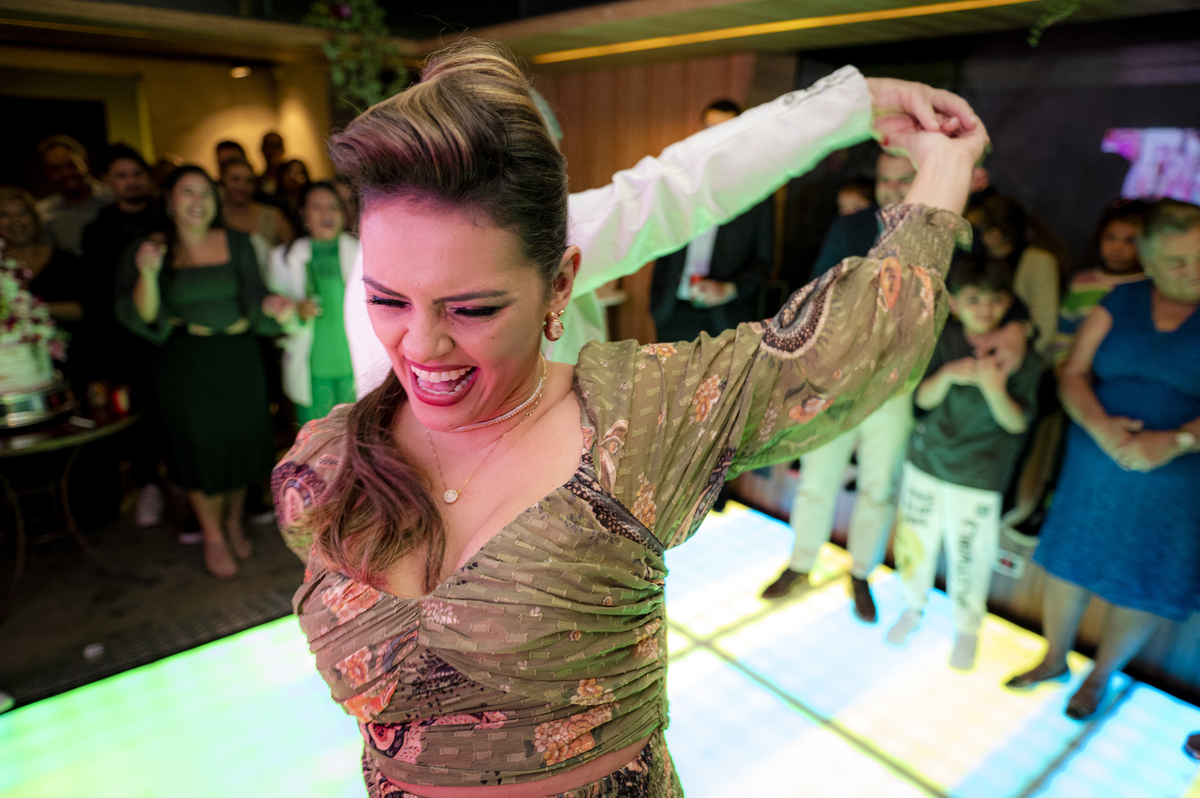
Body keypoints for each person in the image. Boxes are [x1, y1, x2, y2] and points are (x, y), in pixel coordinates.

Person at [273, 41, 986, 797]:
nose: (420, 346)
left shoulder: (633, 424)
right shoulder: (325, 460)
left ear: (561, 283)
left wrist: (923, 154)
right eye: (385, 299)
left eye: (473, 309)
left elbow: (682, 194)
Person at [759, 151, 1028, 622]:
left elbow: (985, 285)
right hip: (836, 378)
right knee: (817, 480)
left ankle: (861, 573)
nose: (891, 189)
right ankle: (800, 563)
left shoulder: (946, 234)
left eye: (904, 179)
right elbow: (814, 291)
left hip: (898, 382)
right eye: (885, 179)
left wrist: (1020, 324)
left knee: (879, 487)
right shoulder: (851, 226)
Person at [1005, 199, 1200, 720]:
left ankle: (1100, 676)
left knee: (1144, 580)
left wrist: (1178, 440)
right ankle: (1053, 659)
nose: (1193, 270)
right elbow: (1073, 373)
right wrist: (1101, 427)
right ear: (1149, 262)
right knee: (1070, 562)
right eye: (1178, 261)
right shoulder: (1120, 300)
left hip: (1178, 478)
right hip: (1095, 464)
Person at [115, 165, 295, 579]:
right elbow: (146, 315)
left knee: (242, 442)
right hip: (186, 362)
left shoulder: (238, 241)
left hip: (238, 356)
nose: (198, 202)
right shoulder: (151, 248)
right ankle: (213, 534)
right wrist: (148, 274)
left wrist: (270, 304)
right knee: (199, 449)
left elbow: (254, 291)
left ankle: (232, 520)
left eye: (206, 194)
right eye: (188, 192)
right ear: (169, 200)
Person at [885, 255, 1041, 670]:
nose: (984, 309)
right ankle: (911, 607)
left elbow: (1017, 423)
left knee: (972, 555)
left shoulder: (1022, 356)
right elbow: (922, 399)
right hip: (927, 463)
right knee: (914, 544)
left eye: (994, 299)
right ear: (954, 303)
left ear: (1008, 302)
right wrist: (949, 373)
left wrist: (994, 388)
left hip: (980, 476)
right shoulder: (943, 340)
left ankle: (967, 628)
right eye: (974, 299)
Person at [81, 144, 172, 527]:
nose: (131, 182)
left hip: (171, 335)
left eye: (136, 174)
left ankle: (185, 485)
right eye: (121, 176)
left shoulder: (170, 220)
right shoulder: (98, 230)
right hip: (124, 341)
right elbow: (96, 297)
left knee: (174, 412)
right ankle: (149, 485)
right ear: (106, 181)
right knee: (139, 417)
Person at [647, 99, 774, 343]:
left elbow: (764, 261)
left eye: (725, 131)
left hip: (727, 317)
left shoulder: (757, 192)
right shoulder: (680, 182)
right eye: (709, 130)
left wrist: (728, 289)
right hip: (672, 311)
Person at [267, 182, 359, 424]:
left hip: (357, 366)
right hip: (312, 368)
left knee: (361, 437)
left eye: (333, 207)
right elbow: (274, 320)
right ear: (303, 214)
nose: (326, 213)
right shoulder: (283, 258)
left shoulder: (362, 251)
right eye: (317, 207)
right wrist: (295, 313)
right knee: (318, 440)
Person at [1048, 199, 1150, 367]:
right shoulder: (1082, 282)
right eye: (1110, 238)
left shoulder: (1150, 286)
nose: (1117, 248)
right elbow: (1063, 333)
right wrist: (1062, 365)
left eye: (1130, 241)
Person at [978, 194, 1067, 357]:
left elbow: (1044, 325)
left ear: (995, 234)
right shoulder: (977, 261)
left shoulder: (1039, 262)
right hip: (978, 350)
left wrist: (1019, 353)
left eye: (979, 228)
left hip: (1022, 355)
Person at [0, 185, 84, 328]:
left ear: (34, 217)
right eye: (4, 214)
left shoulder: (65, 260)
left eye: (23, 213)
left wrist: (33, 307)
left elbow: (83, 309)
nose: (16, 221)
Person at [35, 135, 113, 257]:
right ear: (47, 173)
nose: (66, 173)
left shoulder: (114, 198)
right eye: (56, 169)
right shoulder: (43, 213)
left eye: (72, 165)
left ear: (85, 163)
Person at [220, 158, 294, 248]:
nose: (241, 186)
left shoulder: (272, 216)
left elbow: (294, 249)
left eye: (249, 181)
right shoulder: (215, 216)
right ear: (224, 180)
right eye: (235, 179)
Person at [277, 158, 311, 232]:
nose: (293, 177)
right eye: (289, 171)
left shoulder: (311, 201)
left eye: (299, 172)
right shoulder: (274, 204)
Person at [259, 132, 285, 197]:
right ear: (262, 149)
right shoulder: (257, 181)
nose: (271, 151)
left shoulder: (289, 179)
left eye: (275, 146)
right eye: (268, 146)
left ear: (282, 150)